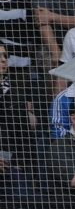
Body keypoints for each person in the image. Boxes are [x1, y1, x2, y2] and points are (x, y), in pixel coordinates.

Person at [0, 42, 35, 198]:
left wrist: (17, 164)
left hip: (10, 162)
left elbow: (24, 135)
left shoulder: (16, 95)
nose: (3, 60)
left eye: (5, 55)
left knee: (20, 196)